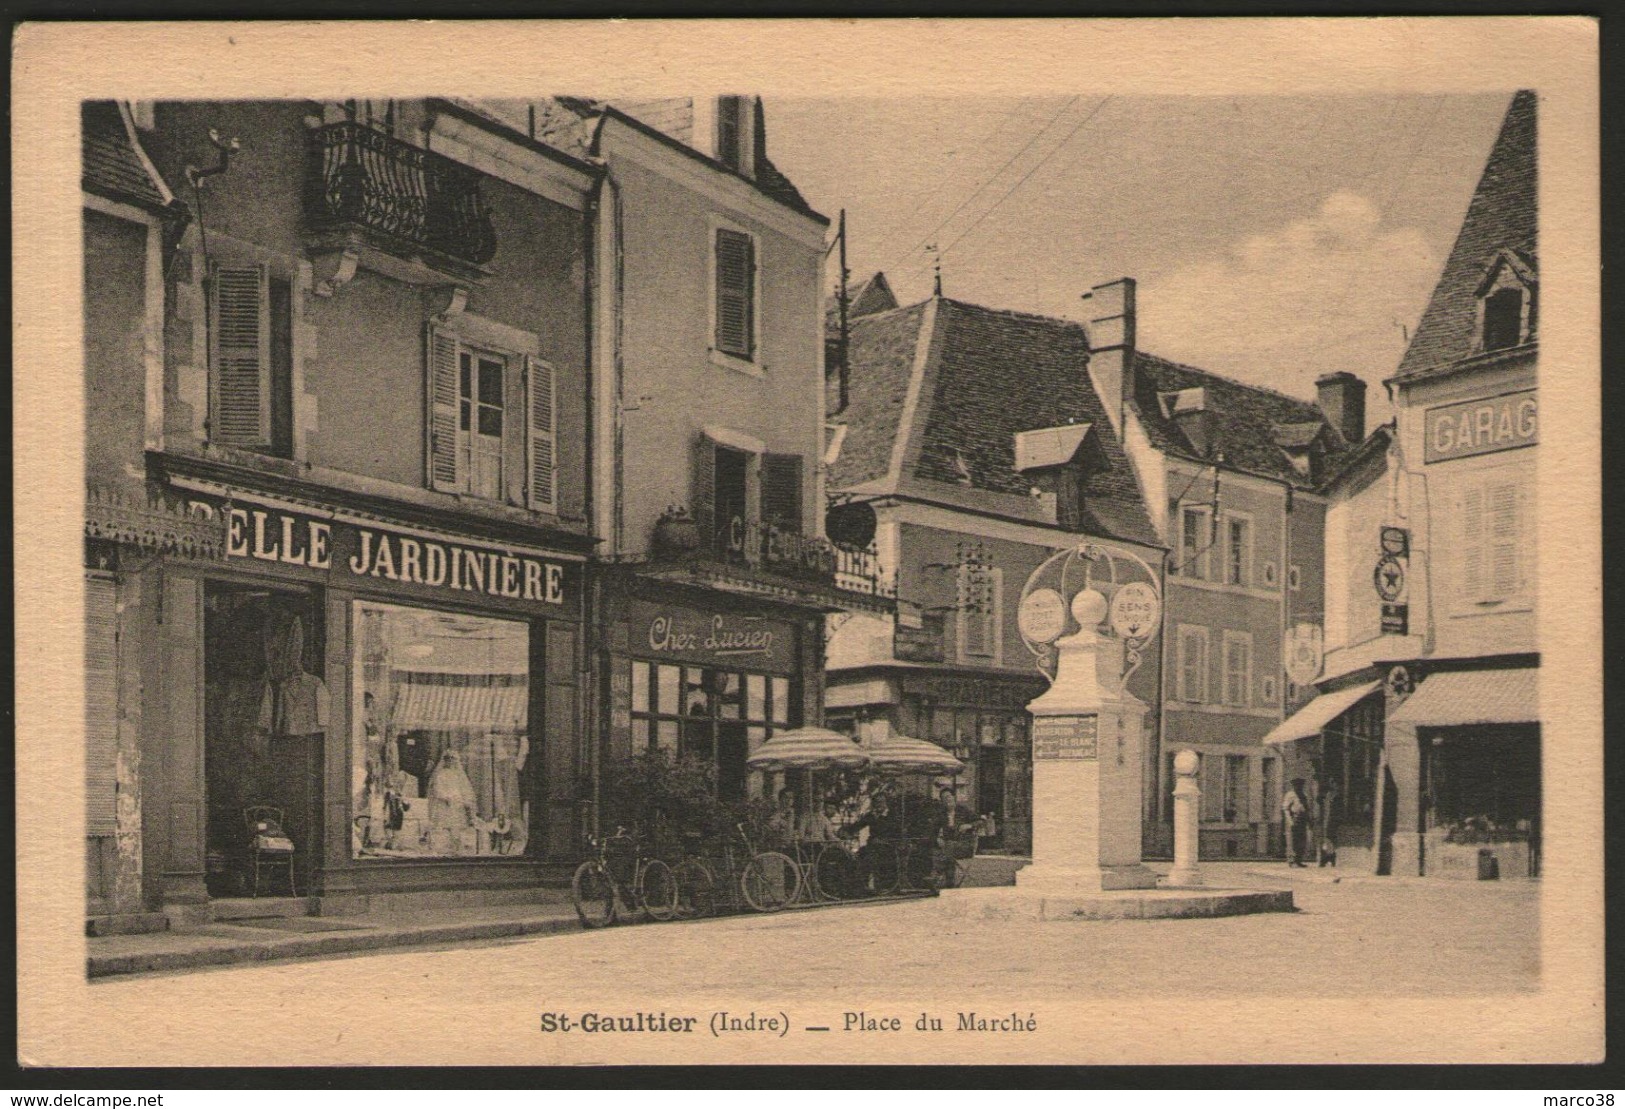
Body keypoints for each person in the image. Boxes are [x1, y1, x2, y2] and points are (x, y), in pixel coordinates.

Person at [1282, 779, 1309, 867]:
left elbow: (1306, 808)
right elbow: (1286, 809)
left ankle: (1299, 860)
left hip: (1302, 819)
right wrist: (1290, 821)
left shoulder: (1304, 795)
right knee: (1292, 840)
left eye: (1301, 785)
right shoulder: (1290, 795)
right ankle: (1291, 860)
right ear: (1293, 786)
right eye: (1297, 785)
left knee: (1302, 840)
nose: (1299, 787)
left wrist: (1309, 820)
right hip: (1294, 818)